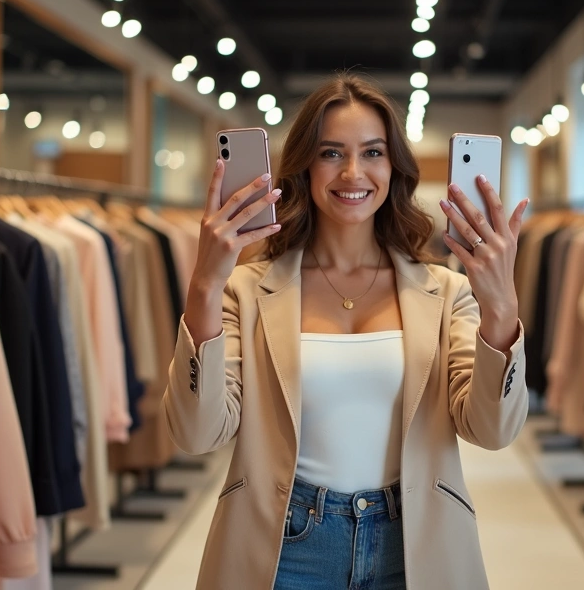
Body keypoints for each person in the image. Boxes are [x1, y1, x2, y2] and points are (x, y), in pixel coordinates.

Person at [163, 74, 529, 590]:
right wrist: (204, 284)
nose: (353, 172)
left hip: (415, 543)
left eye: (373, 152)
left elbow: (492, 431)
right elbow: (196, 433)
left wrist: (502, 308)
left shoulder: (446, 292)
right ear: (305, 167)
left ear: (393, 165)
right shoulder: (244, 290)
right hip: (283, 547)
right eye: (331, 153)